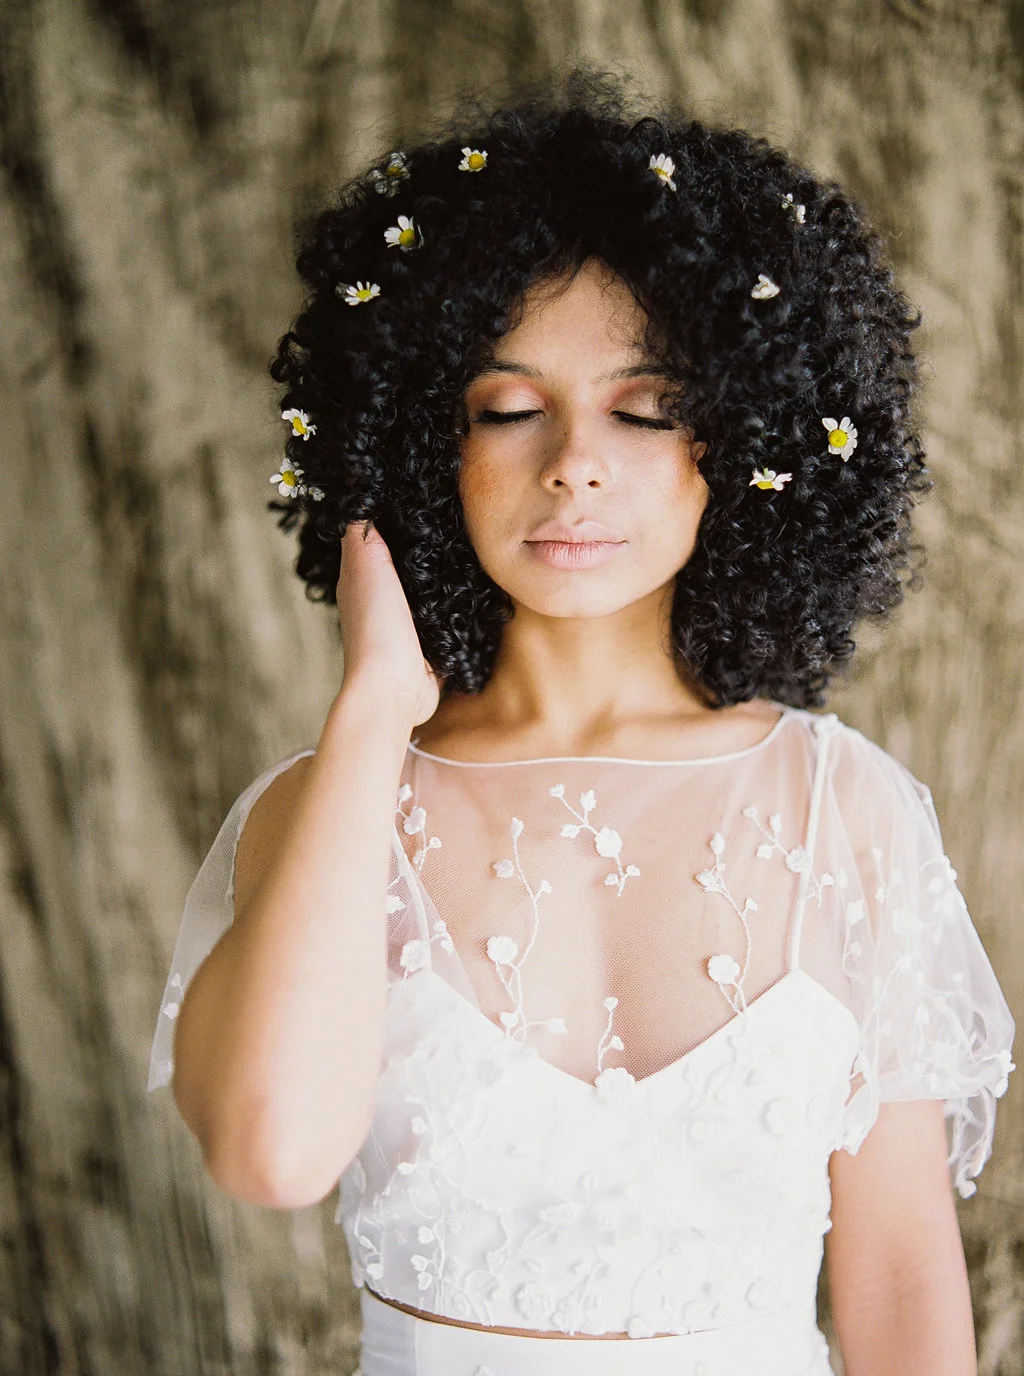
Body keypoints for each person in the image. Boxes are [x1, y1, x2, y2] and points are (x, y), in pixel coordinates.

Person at [148, 70, 1015, 1376]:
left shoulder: (852, 810)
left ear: (742, 439)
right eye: (507, 407)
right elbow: (269, 1154)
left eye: (645, 408)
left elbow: (899, 1291)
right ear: (422, 442)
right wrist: (379, 708)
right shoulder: (333, 804)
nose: (574, 462)